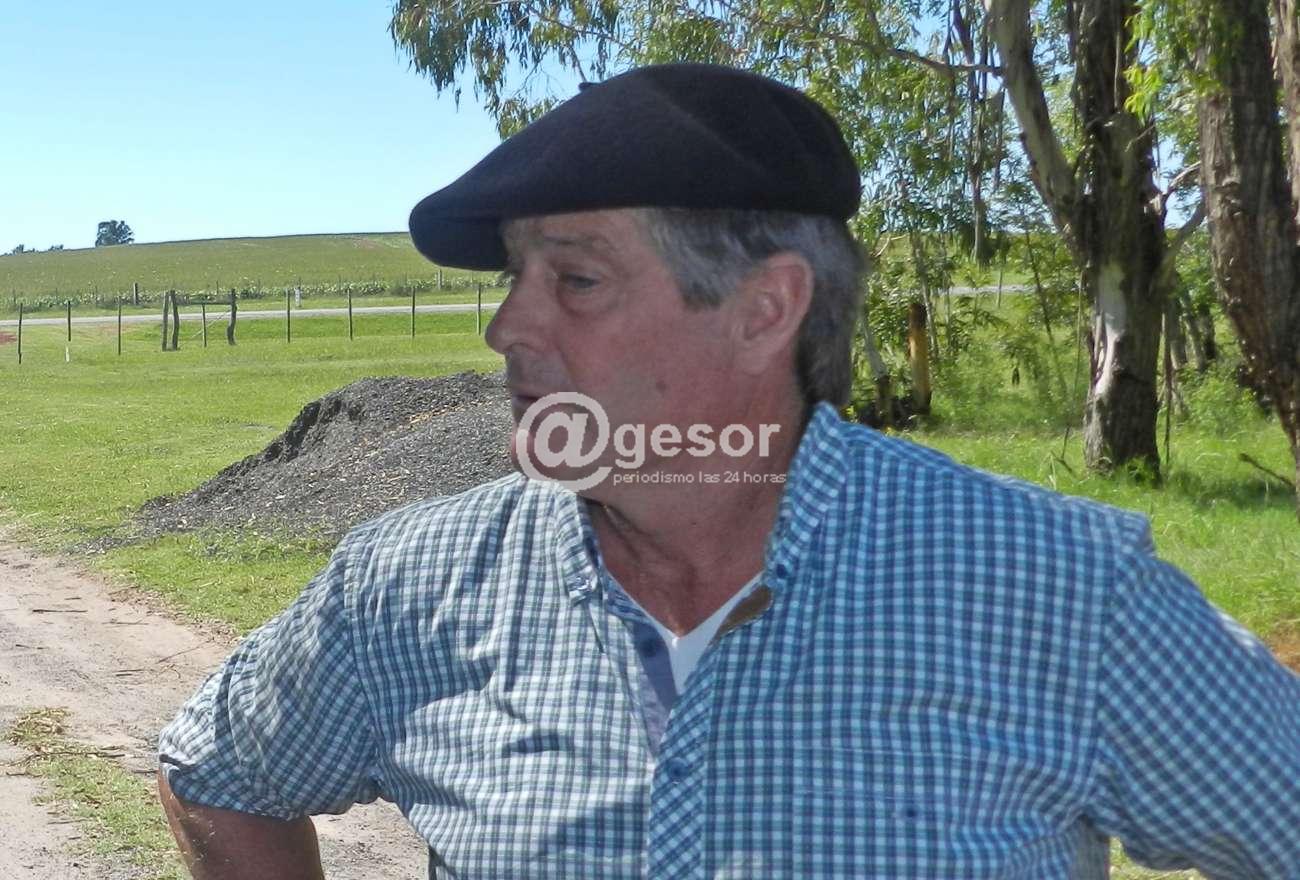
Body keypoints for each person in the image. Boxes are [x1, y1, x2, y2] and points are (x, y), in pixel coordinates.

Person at [157, 63, 1300, 879]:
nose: (507, 327)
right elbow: (217, 770)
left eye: (575, 279)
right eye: (513, 277)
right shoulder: (408, 585)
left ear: (762, 310)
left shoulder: (1061, 593)